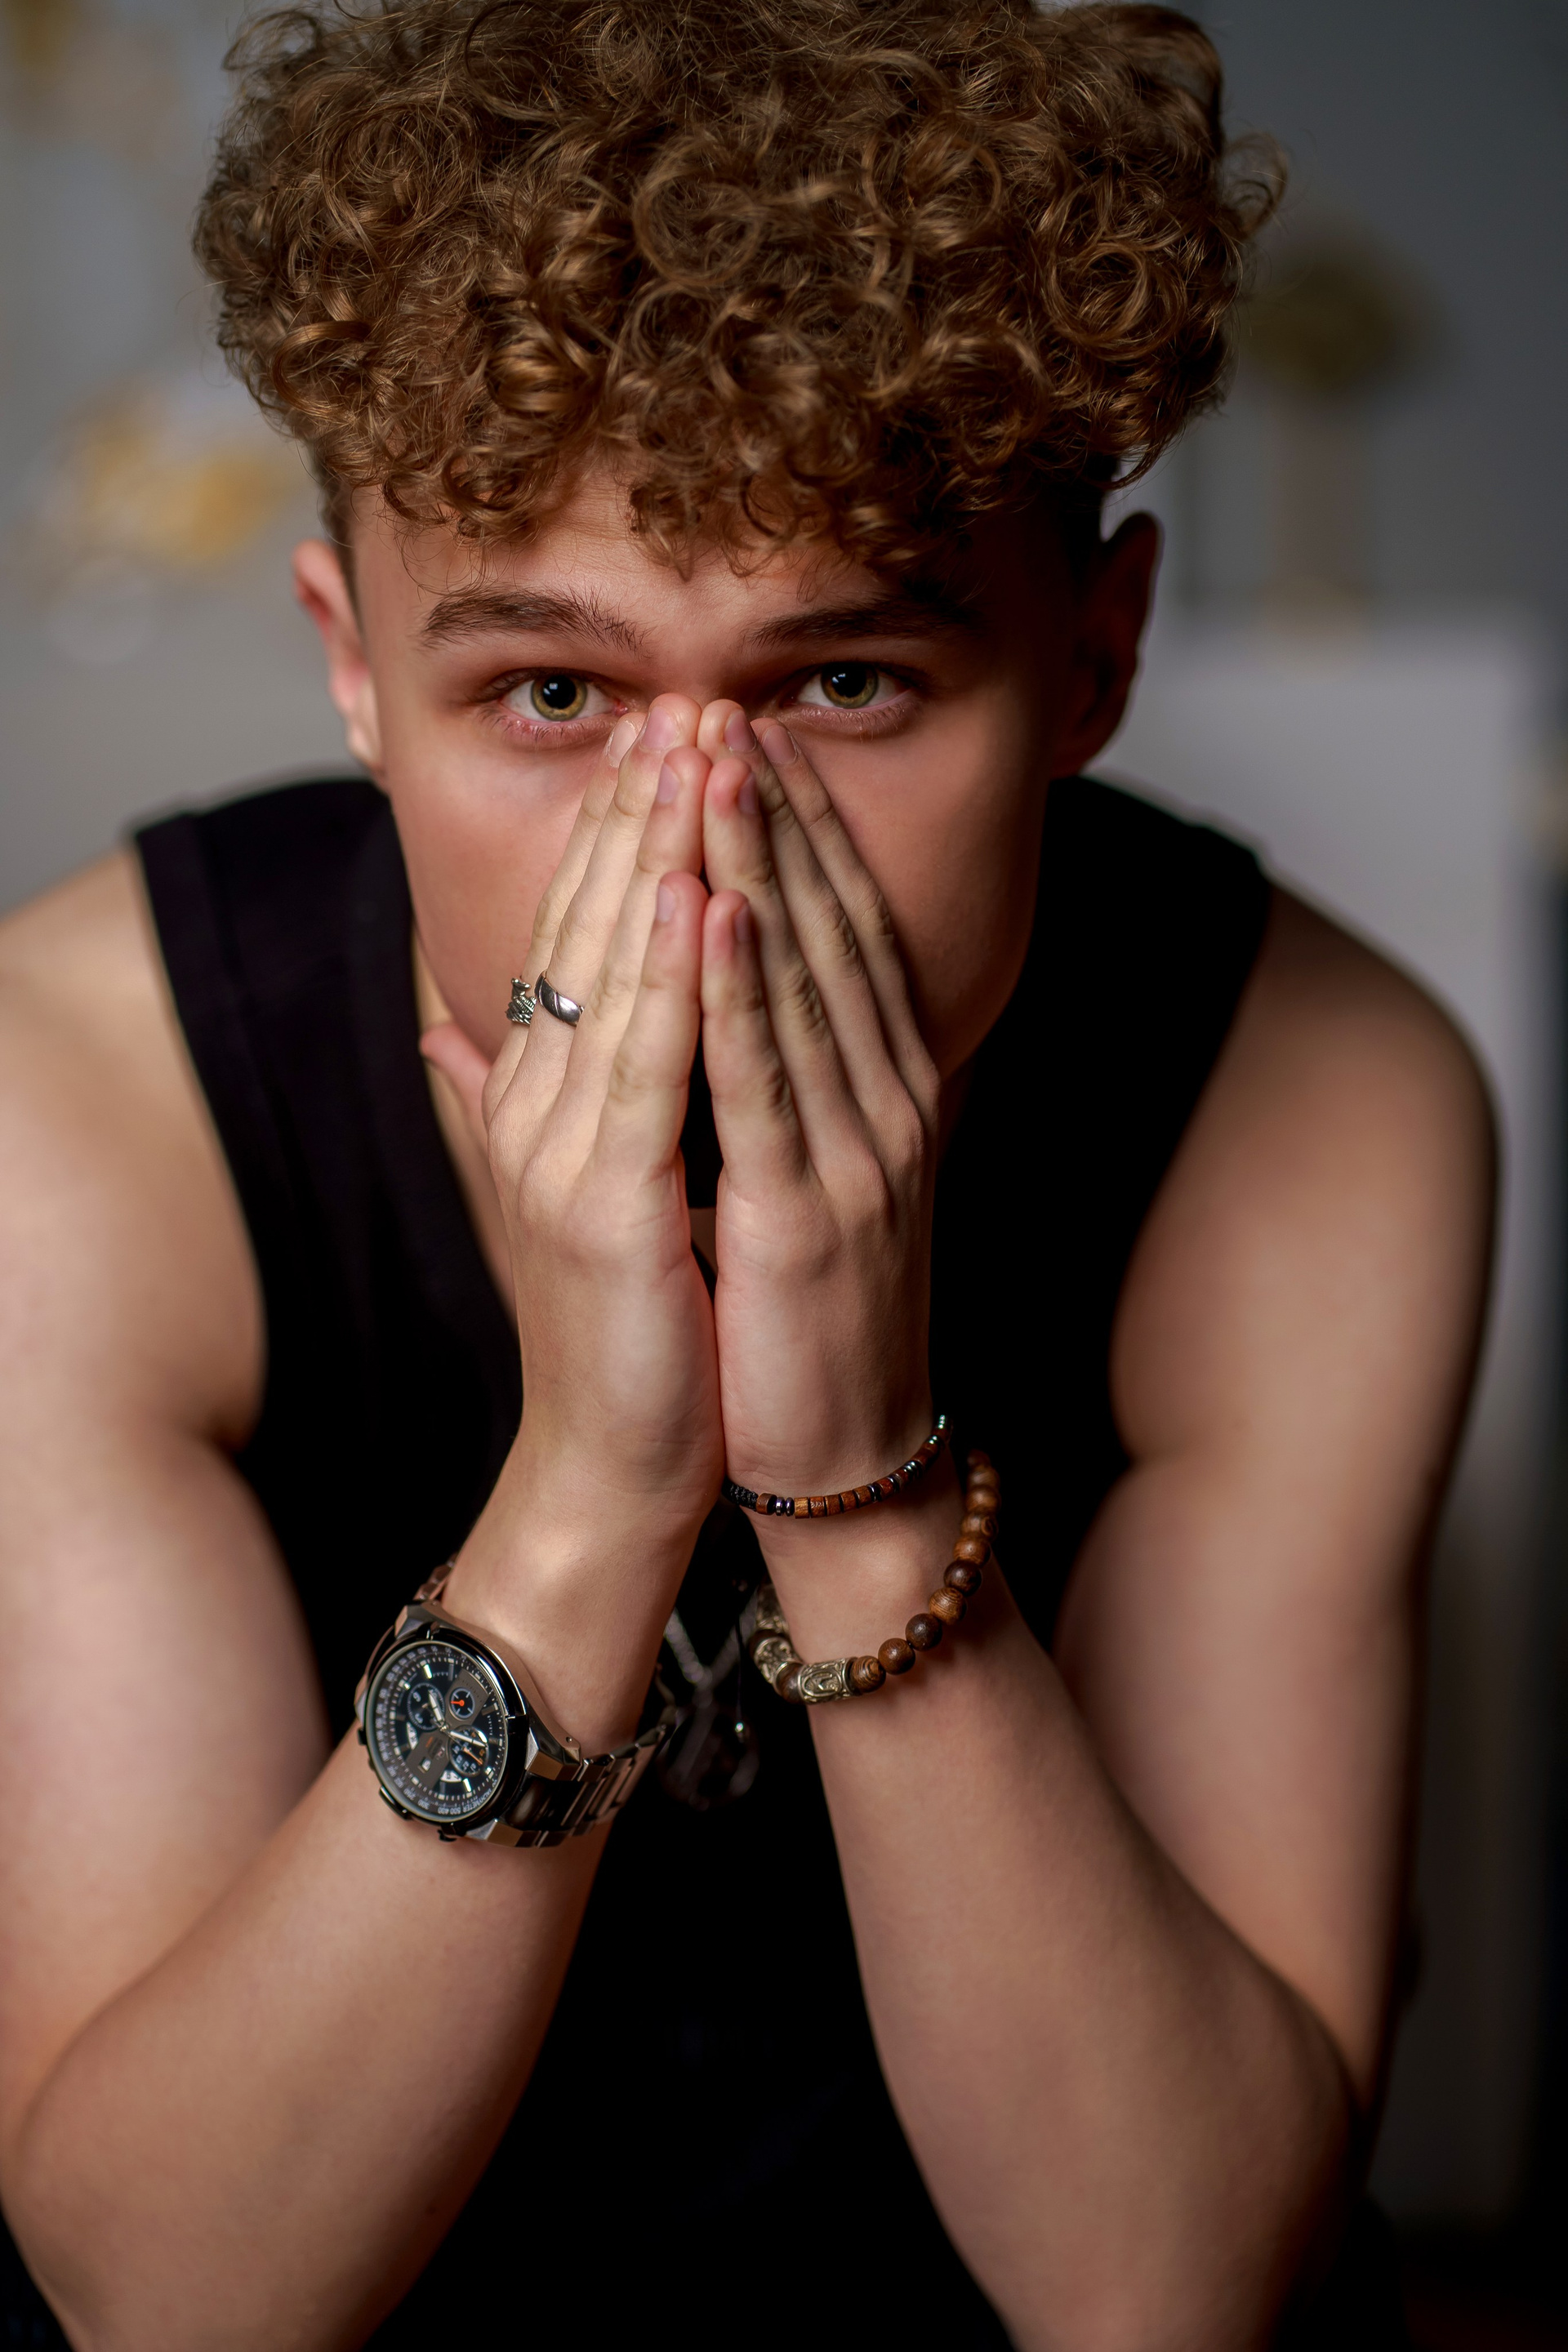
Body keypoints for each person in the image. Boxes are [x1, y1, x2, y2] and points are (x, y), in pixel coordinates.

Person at [0, 2, 1492, 2346]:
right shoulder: (85, 1094)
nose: (697, 864)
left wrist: (852, 1479)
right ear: (354, 670)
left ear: (1093, 662)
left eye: (846, 685)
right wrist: (593, 1489)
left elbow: (1164, 2285)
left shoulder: (1323, 1099)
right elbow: (177, 2298)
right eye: (552, 696)